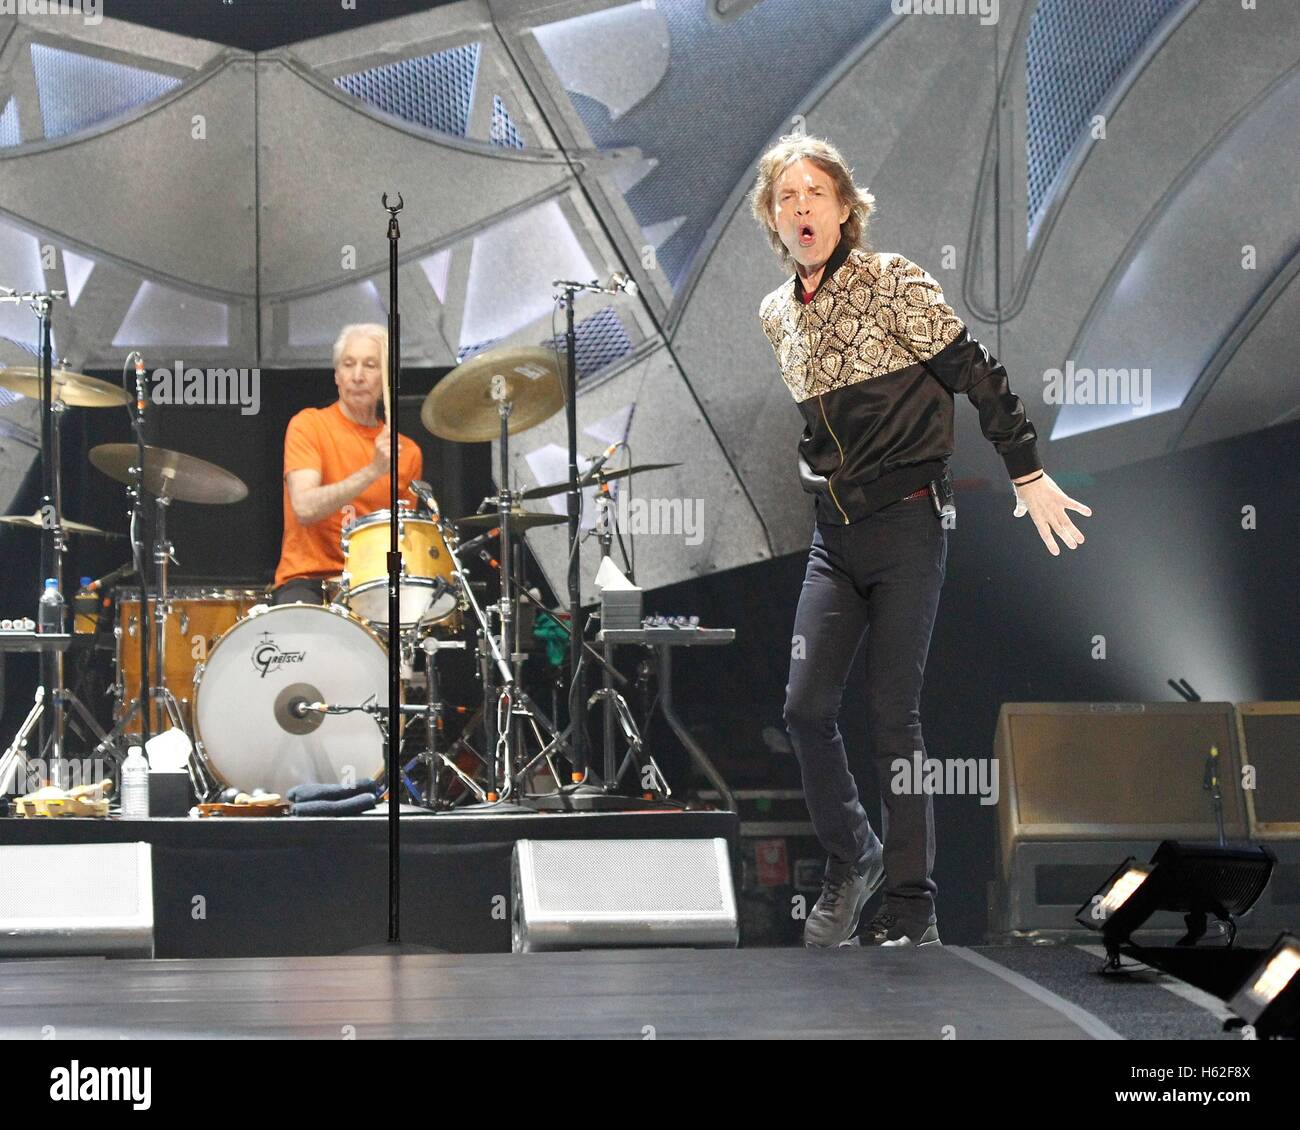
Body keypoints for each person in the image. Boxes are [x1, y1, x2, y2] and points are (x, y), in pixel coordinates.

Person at [751, 135, 1092, 948]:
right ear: (773, 218)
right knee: (804, 708)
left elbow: (975, 372)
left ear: (844, 209)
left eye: (815, 194)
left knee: (892, 714)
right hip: (835, 535)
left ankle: (912, 904)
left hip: (908, 520)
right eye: (786, 198)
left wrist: (1026, 470)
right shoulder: (774, 314)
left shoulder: (891, 279)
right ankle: (855, 855)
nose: (802, 208)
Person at [272, 323, 423, 605]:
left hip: (371, 584)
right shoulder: (309, 425)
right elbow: (304, 508)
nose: (357, 376)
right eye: (348, 364)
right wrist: (372, 471)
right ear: (337, 376)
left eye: (370, 365)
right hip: (308, 581)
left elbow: (400, 540)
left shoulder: (407, 452)